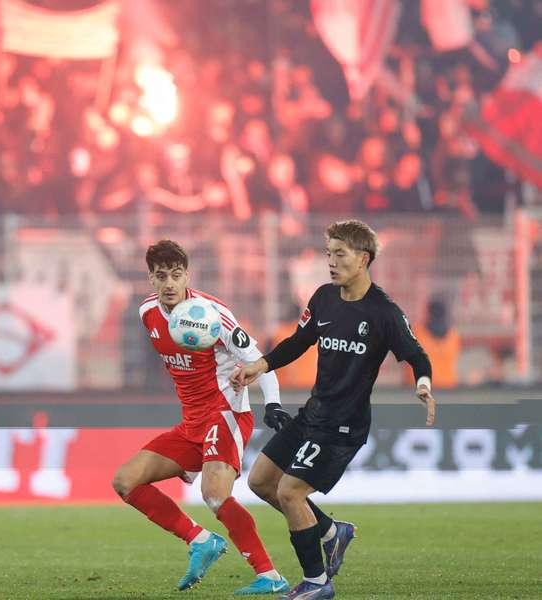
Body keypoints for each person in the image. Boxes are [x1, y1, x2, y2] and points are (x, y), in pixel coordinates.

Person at [231, 220, 436, 599]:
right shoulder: (323, 297)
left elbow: (416, 353)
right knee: (260, 481)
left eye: (339, 253)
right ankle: (330, 531)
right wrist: (261, 365)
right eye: (328, 253)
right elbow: (299, 342)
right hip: (313, 413)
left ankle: (316, 583)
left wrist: (422, 383)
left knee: (290, 492)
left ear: (363, 259)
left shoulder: (384, 312)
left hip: (343, 424)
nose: (331, 261)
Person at [112, 239, 291, 595]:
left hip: (225, 413)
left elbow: (260, 361)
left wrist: (273, 404)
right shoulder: (146, 312)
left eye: (176, 275)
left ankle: (269, 575)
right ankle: (200, 541)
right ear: (151, 279)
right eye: (161, 276)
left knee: (214, 493)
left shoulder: (213, 315)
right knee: (126, 481)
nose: (169, 284)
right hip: (192, 422)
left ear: (186, 276)